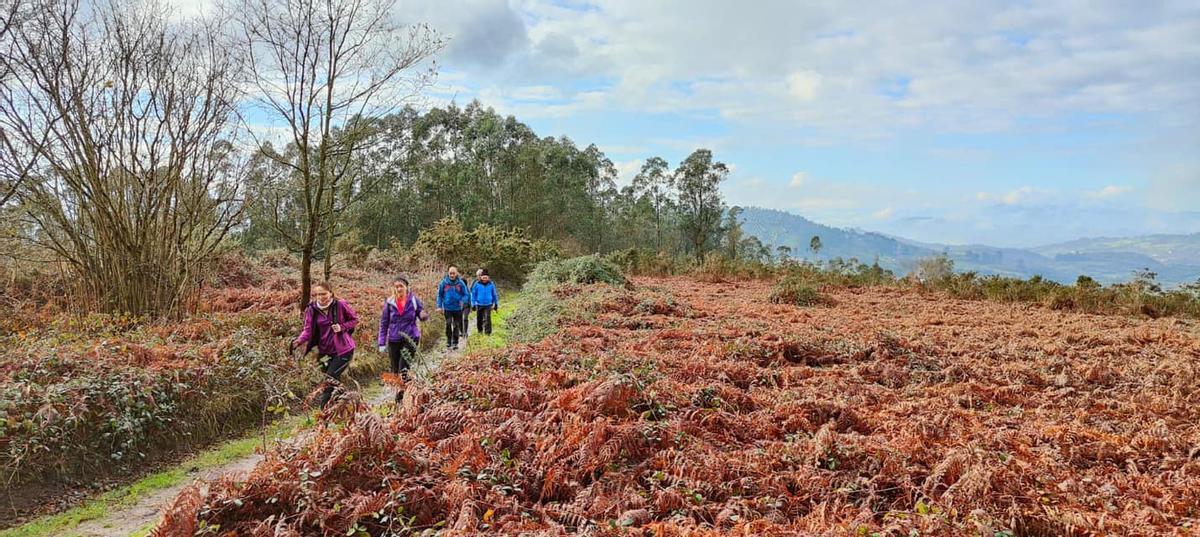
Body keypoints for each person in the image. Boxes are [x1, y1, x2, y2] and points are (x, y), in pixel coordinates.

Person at [292, 281, 358, 408]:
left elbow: (354, 319)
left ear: (331, 293)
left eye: (324, 294)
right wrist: (299, 341)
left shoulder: (340, 305)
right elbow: (308, 329)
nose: (321, 297)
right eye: (318, 294)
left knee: (330, 378)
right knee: (332, 379)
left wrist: (342, 327)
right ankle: (343, 404)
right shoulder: (312, 309)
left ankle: (323, 412)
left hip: (343, 350)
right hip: (324, 351)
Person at [377, 275, 427, 380]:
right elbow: (384, 323)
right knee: (395, 370)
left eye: (401, 286)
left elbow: (421, 312)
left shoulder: (413, 300)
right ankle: (402, 391)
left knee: (403, 368)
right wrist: (381, 342)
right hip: (394, 339)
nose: (399, 289)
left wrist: (423, 315)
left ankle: (403, 394)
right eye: (396, 287)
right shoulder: (390, 303)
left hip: (410, 337)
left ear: (406, 287)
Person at [436, 265, 470, 349]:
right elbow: (439, 295)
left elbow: (466, 294)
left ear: (456, 273)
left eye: (453, 273)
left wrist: (463, 301)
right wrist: (439, 306)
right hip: (447, 308)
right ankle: (448, 340)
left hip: (458, 308)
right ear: (448, 273)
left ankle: (455, 342)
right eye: (450, 273)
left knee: (456, 325)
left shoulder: (460, 283)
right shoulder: (443, 283)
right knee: (448, 324)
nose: (452, 275)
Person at [470, 269, 499, 336]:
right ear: (481, 277)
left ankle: (487, 332)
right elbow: (473, 294)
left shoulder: (491, 284)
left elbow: (494, 294)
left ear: (488, 277)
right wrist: (473, 304)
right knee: (479, 319)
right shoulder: (477, 284)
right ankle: (480, 331)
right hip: (479, 304)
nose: (485, 278)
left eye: (486, 277)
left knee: (487, 318)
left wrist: (496, 303)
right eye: (483, 277)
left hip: (488, 304)